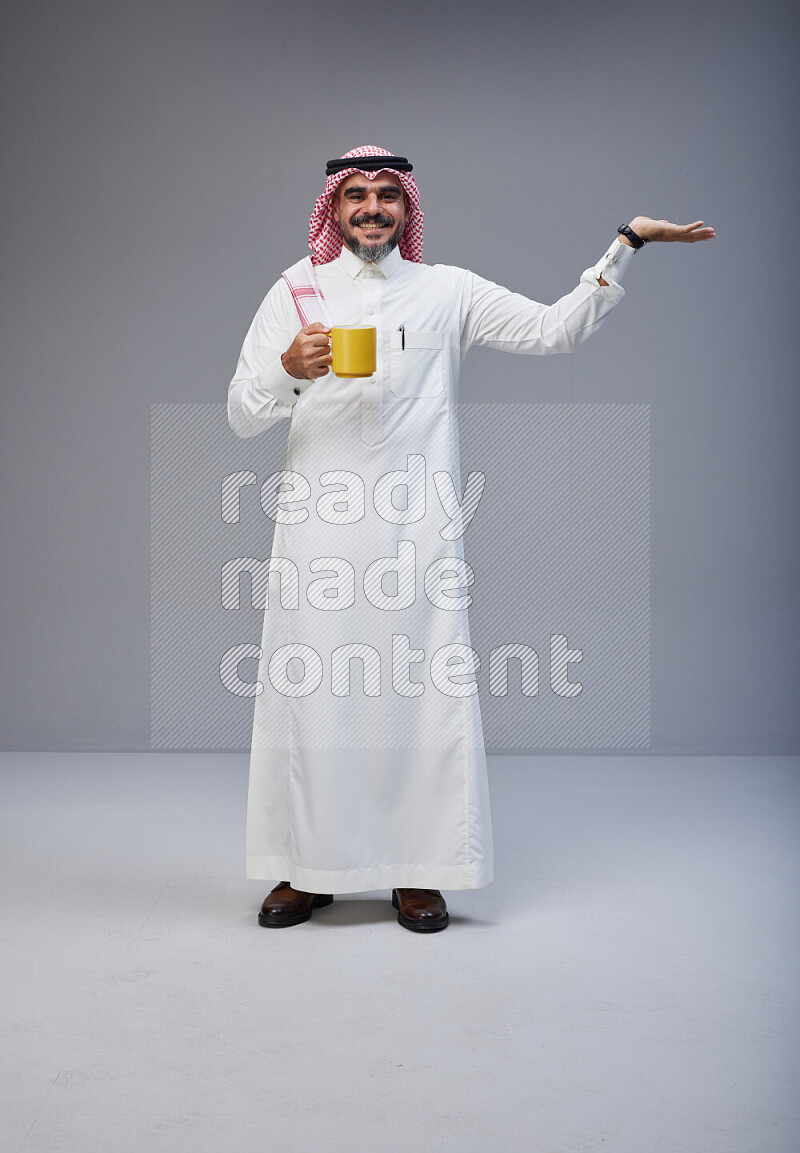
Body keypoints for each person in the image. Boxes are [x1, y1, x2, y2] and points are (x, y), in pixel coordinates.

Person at [227, 145, 714, 933]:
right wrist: (288, 368)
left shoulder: (446, 290)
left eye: (388, 195)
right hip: (319, 534)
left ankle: (420, 870)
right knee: (316, 696)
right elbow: (242, 412)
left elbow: (555, 331)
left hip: (417, 534)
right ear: (334, 209)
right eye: (356, 196)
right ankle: (306, 865)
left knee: (417, 700)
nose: (373, 208)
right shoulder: (296, 289)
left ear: (408, 208)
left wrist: (627, 243)